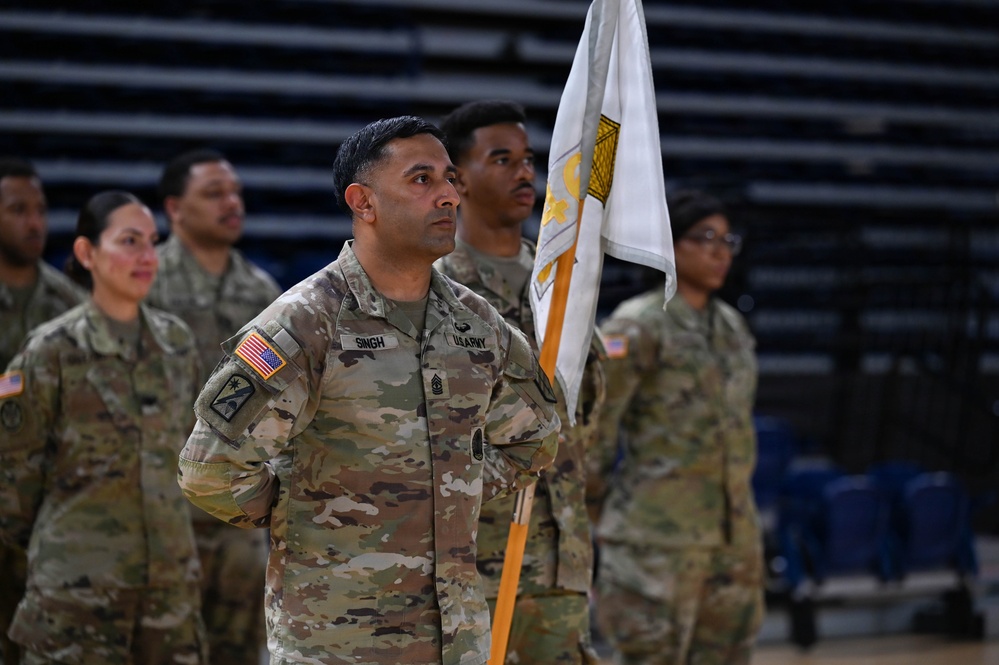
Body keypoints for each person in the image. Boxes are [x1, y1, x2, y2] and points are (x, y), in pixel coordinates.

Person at [177, 115, 561, 665]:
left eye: (451, 178)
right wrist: (305, 510)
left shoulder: (477, 324)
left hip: (457, 640)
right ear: (364, 202)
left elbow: (535, 438)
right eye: (422, 179)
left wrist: (453, 491)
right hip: (336, 640)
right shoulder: (306, 323)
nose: (449, 195)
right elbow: (210, 471)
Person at [0, 190, 206, 665]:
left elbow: (193, 452)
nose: (146, 257)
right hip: (76, 599)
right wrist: (67, 545)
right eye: (129, 241)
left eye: (152, 242)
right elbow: (12, 478)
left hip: (168, 602)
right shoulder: (50, 350)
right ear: (86, 253)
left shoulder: (176, 342)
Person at [436, 100, 605, 664]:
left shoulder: (560, 283)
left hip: (562, 555)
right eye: (502, 159)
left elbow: (592, 404)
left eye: (529, 159)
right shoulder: (436, 289)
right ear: (456, 179)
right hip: (473, 564)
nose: (525, 172)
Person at [590, 189, 764, 665]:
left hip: (732, 536)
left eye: (727, 240)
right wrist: (600, 509)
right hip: (656, 538)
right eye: (704, 237)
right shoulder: (638, 325)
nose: (719, 251)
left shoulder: (731, 327)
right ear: (670, 245)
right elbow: (597, 426)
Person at [145, 148, 281, 665]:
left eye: (235, 193)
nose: (231, 203)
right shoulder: (146, 280)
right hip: (163, 504)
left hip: (234, 506)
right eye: (214, 193)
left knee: (241, 646)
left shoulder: (260, 289)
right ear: (175, 209)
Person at [0, 157, 85, 665]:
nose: (35, 223)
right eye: (17, 210)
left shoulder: (68, 304)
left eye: (40, 210)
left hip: (45, 512)